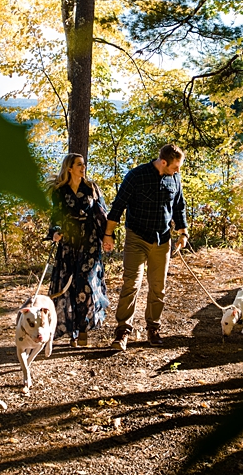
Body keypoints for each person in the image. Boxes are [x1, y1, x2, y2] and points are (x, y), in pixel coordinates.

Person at [103, 143, 188, 350]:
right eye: (175, 167)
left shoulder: (174, 178)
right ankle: (123, 330)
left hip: (162, 240)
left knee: (158, 287)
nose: (178, 171)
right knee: (131, 284)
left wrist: (183, 232)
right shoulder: (136, 176)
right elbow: (118, 206)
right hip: (137, 238)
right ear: (163, 162)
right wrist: (108, 234)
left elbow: (179, 206)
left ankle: (153, 327)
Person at [47, 153, 110, 348]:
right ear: (69, 168)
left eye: (84, 164)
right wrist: (55, 232)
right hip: (68, 243)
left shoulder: (91, 188)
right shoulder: (59, 191)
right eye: (79, 165)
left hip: (90, 242)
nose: (83, 168)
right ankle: (72, 332)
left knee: (86, 284)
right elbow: (56, 217)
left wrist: (108, 237)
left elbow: (101, 214)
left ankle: (83, 328)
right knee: (68, 286)